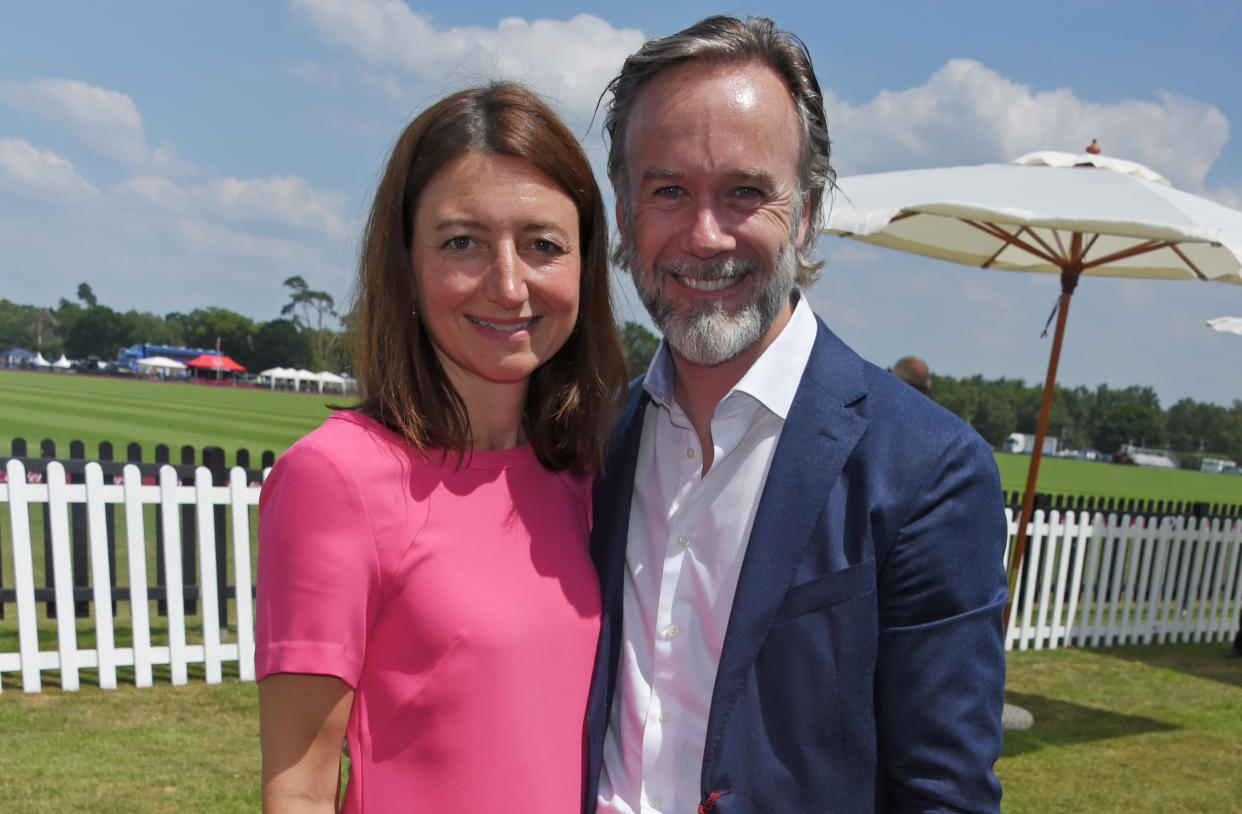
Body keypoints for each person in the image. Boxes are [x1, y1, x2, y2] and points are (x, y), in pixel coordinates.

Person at [585, 16, 1008, 814]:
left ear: (807, 210)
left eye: (745, 191)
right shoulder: (592, 445)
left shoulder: (925, 472)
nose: (705, 235)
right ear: (624, 213)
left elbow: (943, 794)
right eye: (668, 190)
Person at [254, 82, 628, 813]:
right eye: (463, 242)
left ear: (584, 266)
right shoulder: (336, 479)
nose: (509, 283)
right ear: (406, 262)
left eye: (543, 245)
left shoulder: (591, 473)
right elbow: (297, 789)